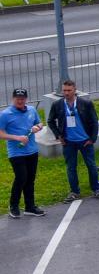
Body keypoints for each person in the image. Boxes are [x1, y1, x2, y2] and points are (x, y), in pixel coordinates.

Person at [45, 79, 99, 201]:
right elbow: (50, 121)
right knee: (71, 167)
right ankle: (74, 191)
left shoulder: (85, 104)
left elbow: (94, 122)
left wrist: (92, 139)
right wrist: (59, 136)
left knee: (91, 165)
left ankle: (96, 189)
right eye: (64, 90)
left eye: (69, 90)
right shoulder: (58, 105)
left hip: (85, 141)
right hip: (68, 142)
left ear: (75, 90)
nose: (66, 93)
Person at [2, 89, 46, 218]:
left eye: (22, 98)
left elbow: (39, 123)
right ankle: (13, 206)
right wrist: (17, 138)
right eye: (17, 98)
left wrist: (38, 127)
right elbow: (1, 133)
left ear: (26, 99)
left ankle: (30, 207)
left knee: (30, 179)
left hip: (32, 150)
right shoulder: (5, 114)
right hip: (16, 152)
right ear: (13, 99)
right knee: (21, 178)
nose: (20, 101)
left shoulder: (31, 110)